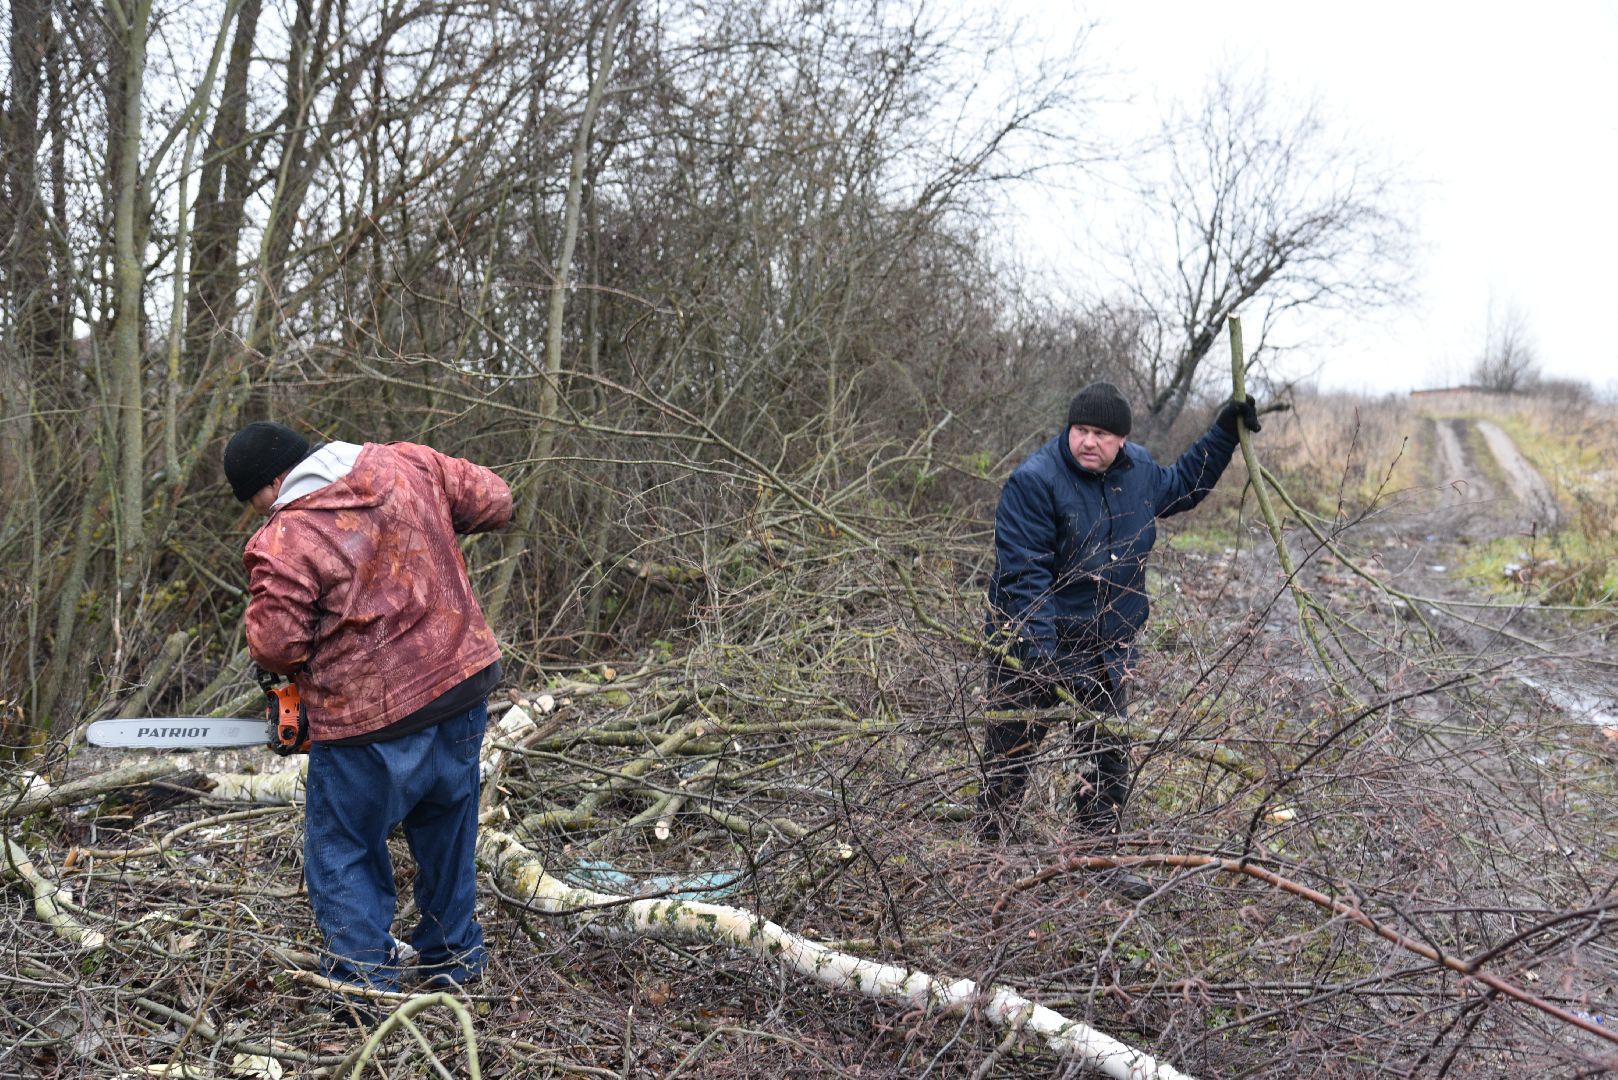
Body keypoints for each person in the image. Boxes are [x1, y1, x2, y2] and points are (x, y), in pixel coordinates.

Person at [223, 421, 513, 1015]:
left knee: (345, 849)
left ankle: (362, 989)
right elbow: (496, 499)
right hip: (458, 686)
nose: (260, 511)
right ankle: (452, 966)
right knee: (447, 832)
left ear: (275, 480)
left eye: (256, 498)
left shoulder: (286, 537)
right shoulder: (406, 463)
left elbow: (275, 643)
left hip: (368, 718)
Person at [979, 381, 1259, 841]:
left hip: (1105, 651)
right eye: (1081, 430)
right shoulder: (1035, 481)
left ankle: (1097, 860)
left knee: (1106, 763)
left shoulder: (1139, 471)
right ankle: (990, 857)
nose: (1089, 441)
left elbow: (1185, 484)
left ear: (1122, 439)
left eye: (1102, 434)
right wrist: (1041, 656)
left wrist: (1224, 432)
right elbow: (1023, 577)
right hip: (1032, 649)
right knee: (1009, 760)